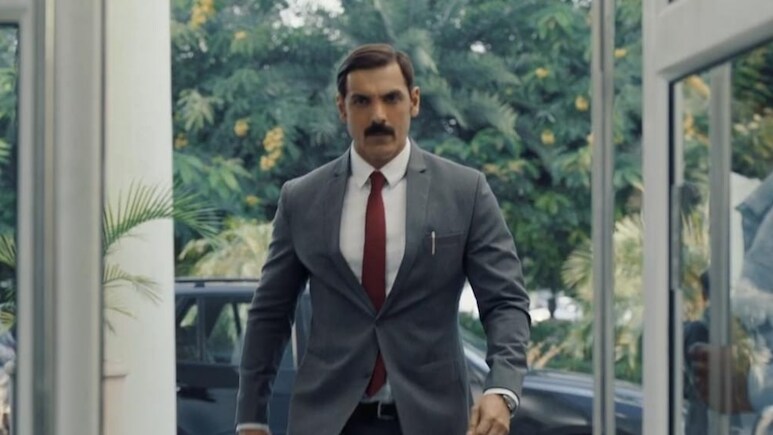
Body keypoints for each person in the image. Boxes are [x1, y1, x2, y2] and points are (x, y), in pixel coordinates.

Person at [235, 43, 531, 435]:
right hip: (327, 421)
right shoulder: (302, 198)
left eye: (391, 99)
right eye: (361, 101)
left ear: (414, 101)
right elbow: (270, 313)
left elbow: (505, 302)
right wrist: (251, 416)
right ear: (342, 108)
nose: (378, 116)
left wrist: (501, 388)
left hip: (433, 420)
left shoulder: (465, 192)